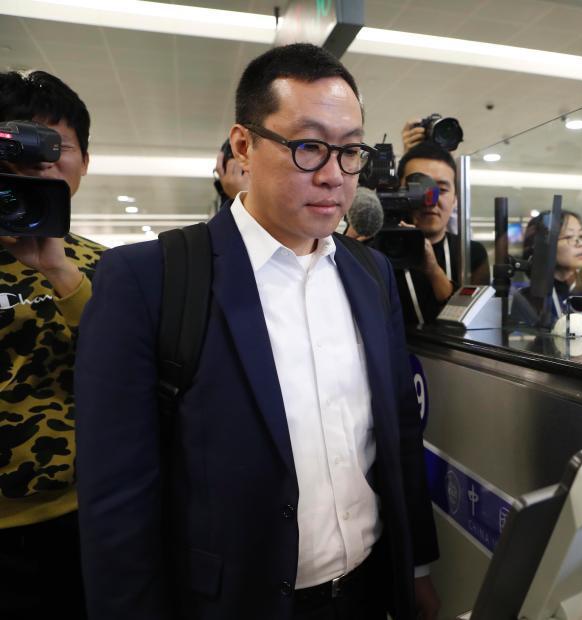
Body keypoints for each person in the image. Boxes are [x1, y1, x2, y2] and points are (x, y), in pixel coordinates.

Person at [75, 43, 439, 620]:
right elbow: (117, 499)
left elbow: (396, 434)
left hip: (368, 591)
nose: (333, 176)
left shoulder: (371, 274)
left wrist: (416, 567)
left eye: (350, 151)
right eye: (308, 146)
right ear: (244, 146)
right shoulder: (150, 280)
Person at [0, 69, 104, 619]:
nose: (41, 160)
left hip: (84, 514)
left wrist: (60, 272)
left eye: (57, 145)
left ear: (85, 161)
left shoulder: (107, 267)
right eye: (22, 141)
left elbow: (124, 372)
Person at [394, 141, 489, 325]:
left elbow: (478, 323)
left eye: (442, 190)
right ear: (398, 192)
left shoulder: (471, 254)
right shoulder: (377, 249)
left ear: (455, 199)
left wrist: (433, 271)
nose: (430, 200)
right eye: (418, 187)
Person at [511, 210, 582, 328]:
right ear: (543, 246)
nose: (580, 244)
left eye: (581, 236)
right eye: (569, 236)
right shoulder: (527, 300)